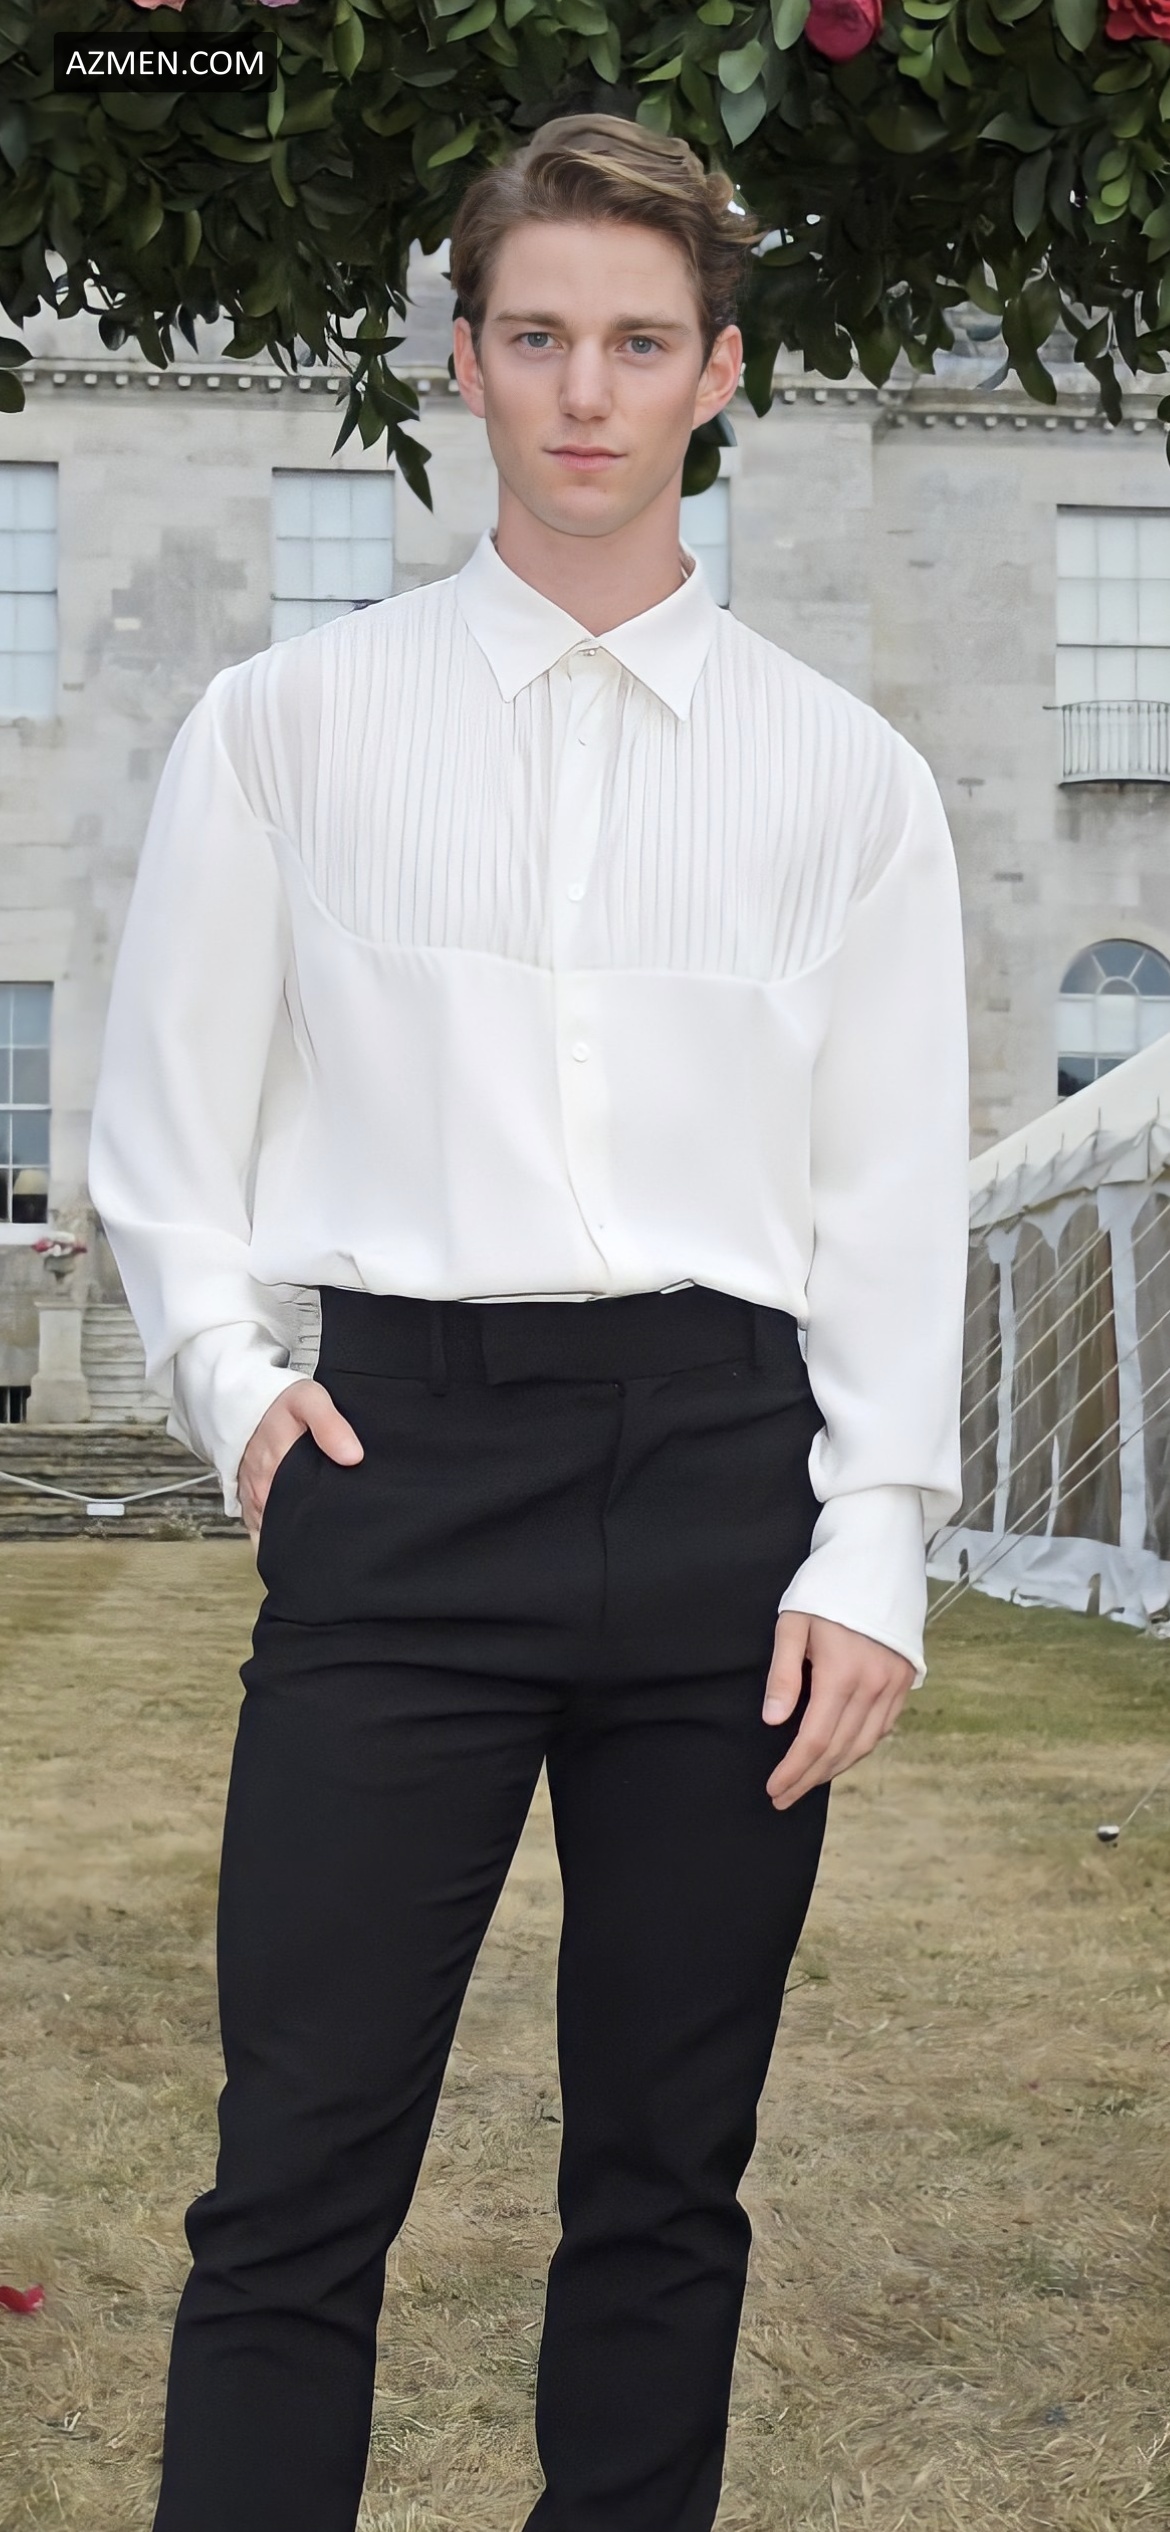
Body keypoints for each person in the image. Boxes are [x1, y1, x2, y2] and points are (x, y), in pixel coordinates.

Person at [87, 112, 969, 2532]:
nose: (590, 392)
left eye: (643, 343)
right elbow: (164, 1125)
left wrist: (875, 1535)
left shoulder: (849, 782)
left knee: (669, 2179)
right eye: (542, 337)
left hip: (729, 1498)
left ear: (720, 375)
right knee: (295, 2177)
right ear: (464, 362)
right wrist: (233, 1386)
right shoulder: (288, 730)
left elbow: (888, 1194)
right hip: (401, 1477)